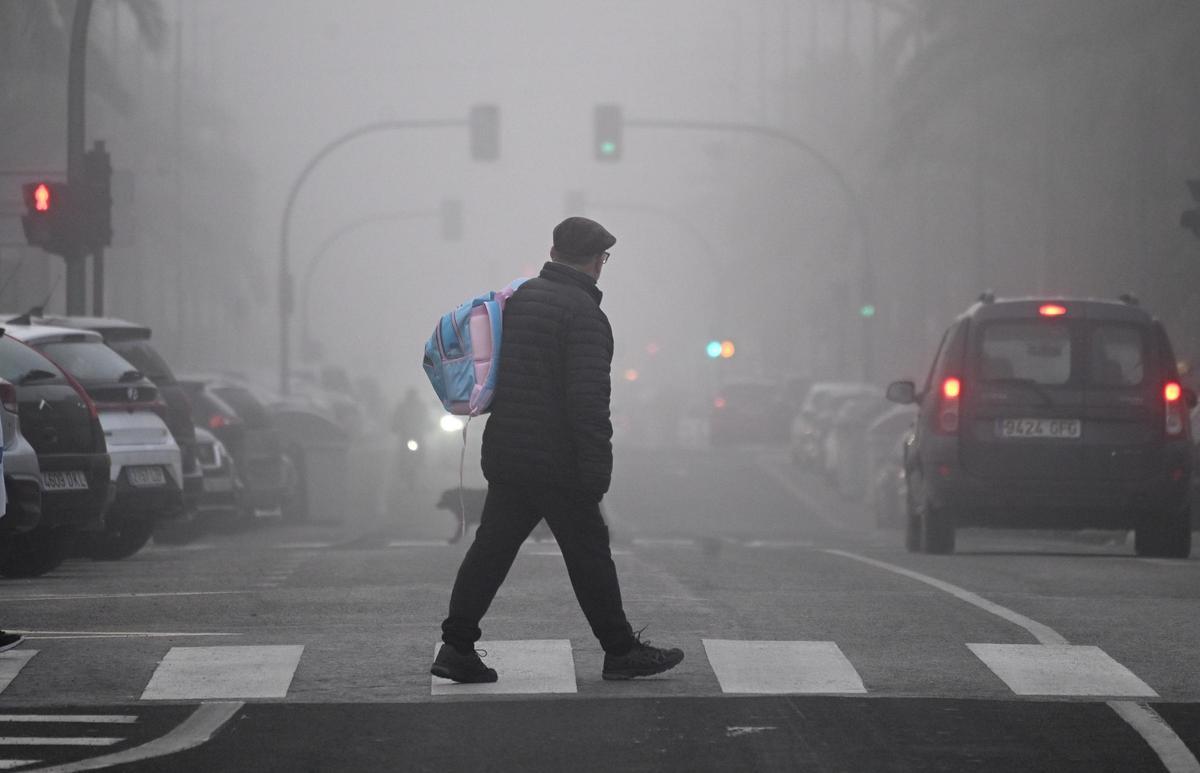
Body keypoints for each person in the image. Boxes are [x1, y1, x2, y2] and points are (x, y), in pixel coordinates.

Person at [431, 217, 684, 683]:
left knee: (491, 551)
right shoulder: (584, 315)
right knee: (589, 553)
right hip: (558, 461)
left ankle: (456, 646)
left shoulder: (518, 301)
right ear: (595, 262)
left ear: (553, 254)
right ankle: (620, 650)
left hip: (509, 452)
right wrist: (595, 468)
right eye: (603, 259)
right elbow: (587, 400)